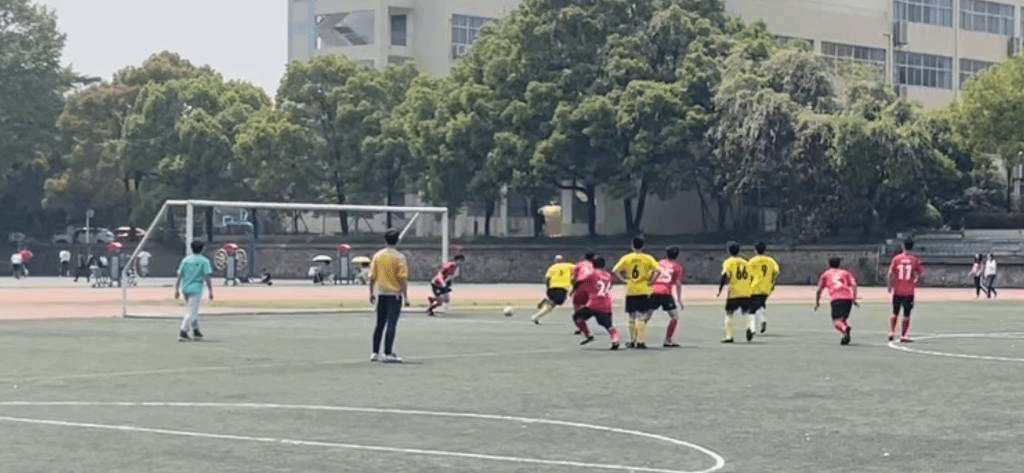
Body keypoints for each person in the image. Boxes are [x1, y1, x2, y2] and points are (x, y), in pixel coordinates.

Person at [369, 229, 410, 363]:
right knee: (391, 324)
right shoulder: (399, 257)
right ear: (398, 241)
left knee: (380, 324)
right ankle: (387, 352)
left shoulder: (378, 256)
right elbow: (402, 278)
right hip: (394, 295)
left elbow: (372, 277)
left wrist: (371, 293)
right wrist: (405, 296)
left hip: (381, 294)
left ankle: (375, 352)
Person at [612, 237, 660, 349]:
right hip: (643, 289)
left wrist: (623, 280)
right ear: (643, 246)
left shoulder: (627, 258)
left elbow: (615, 270)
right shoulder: (648, 258)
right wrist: (652, 281)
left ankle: (632, 340)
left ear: (632, 245)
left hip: (630, 289)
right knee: (642, 317)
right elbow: (658, 270)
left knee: (631, 317)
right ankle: (640, 341)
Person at [572, 256, 621, 350]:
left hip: (593, 303)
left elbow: (580, 280)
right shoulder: (608, 275)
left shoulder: (592, 273)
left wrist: (574, 287)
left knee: (577, 317)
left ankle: (588, 334)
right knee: (608, 325)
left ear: (593, 265)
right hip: (606, 303)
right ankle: (615, 339)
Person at [174, 241, 214, 342]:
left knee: (192, 309)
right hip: (196, 289)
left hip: (185, 288)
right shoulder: (204, 261)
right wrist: (210, 290)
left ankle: (196, 330)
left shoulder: (186, 260)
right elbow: (207, 277)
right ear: (202, 249)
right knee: (191, 311)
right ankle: (183, 331)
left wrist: (177, 289)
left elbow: (180, 275)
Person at [815, 257, 859, 346]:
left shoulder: (826, 274)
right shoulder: (845, 273)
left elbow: (819, 289)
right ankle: (845, 336)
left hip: (837, 299)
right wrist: (854, 299)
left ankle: (845, 329)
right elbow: (854, 285)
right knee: (843, 319)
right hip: (848, 299)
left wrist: (817, 302)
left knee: (836, 322)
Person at [888, 239, 923, 343]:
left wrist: (890, 285)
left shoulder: (896, 258)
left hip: (897, 290)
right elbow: (921, 274)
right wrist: (916, 280)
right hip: (909, 291)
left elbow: (890, 273)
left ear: (903, 246)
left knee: (895, 312)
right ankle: (903, 335)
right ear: (912, 247)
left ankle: (892, 332)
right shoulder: (914, 259)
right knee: (906, 314)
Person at [717, 242, 753, 343]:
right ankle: (750, 327)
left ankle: (729, 336)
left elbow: (724, 276)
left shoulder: (728, 262)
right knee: (747, 312)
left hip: (734, 292)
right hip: (746, 291)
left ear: (729, 251)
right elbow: (751, 276)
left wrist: (720, 289)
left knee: (729, 313)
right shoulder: (745, 262)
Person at [649, 246, 684, 347]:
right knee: (674, 317)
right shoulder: (677, 266)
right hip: (666, 293)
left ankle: (637, 338)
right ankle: (668, 340)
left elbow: (651, 276)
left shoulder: (659, 263)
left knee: (645, 316)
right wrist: (679, 299)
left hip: (654, 291)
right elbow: (678, 283)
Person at [747, 242, 780, 335]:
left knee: (751, 309)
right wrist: (772, 282)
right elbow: (776, 272)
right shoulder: (770, 261)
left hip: (754, 287)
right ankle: (762, 320)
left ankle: (752, 329)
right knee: (760, 305)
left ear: (755, 250)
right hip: (766, 288)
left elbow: (748, 274)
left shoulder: (752, 261)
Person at [531, 255, 575, 324]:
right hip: (561, 288)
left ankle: (537, 315)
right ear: (562, 260)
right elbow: (577, 268)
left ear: (555, 261)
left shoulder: (552, 267)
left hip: (552, 288)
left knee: (552, 305)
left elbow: (547, 278)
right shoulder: (569, 265)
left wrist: (548, 287)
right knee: (557, 302)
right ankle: (537, 314)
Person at [569, 252, 596, 334]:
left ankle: (579, 326)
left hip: (581, 285)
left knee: (577, 306)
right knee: (589, 305)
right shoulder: (595, 265)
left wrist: (573, 289)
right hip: (592, 286)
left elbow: (573, 278)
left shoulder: (579, 264)